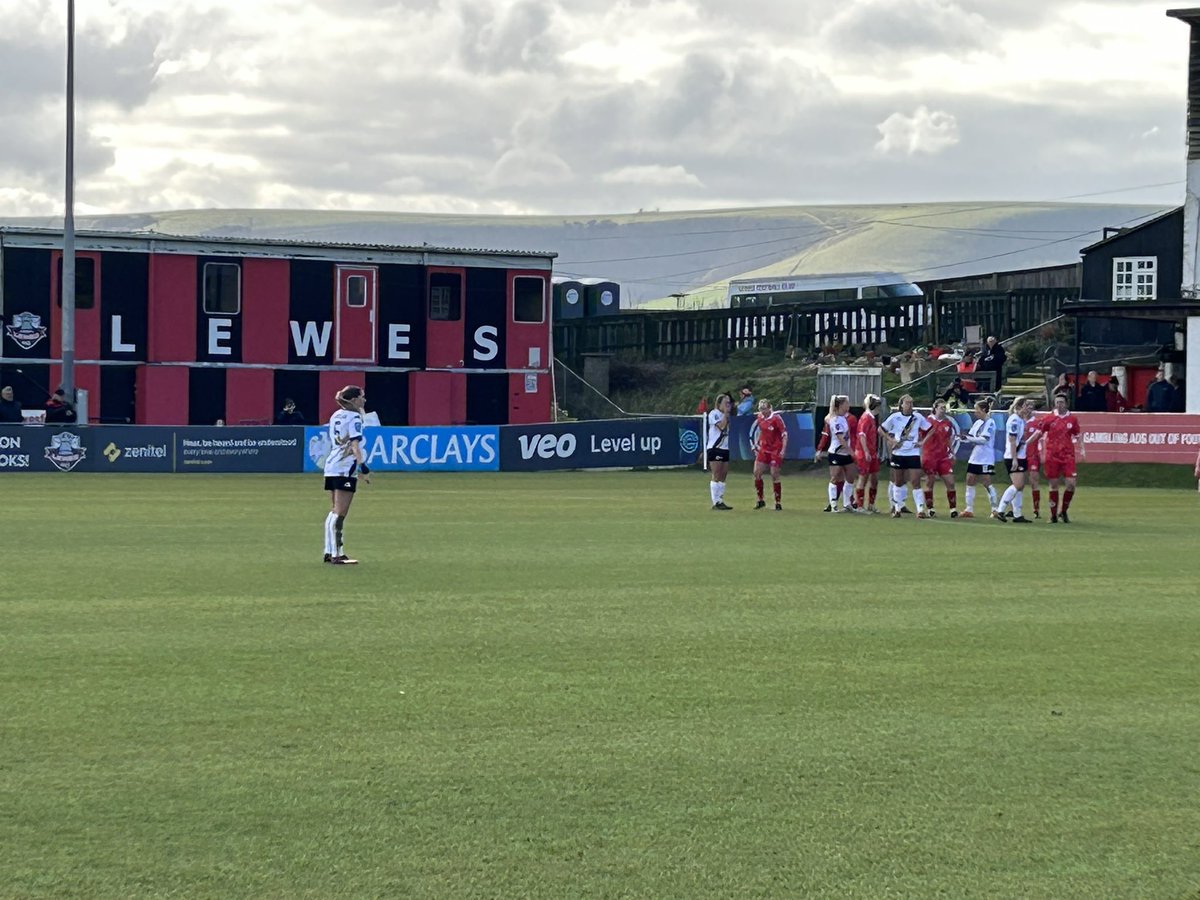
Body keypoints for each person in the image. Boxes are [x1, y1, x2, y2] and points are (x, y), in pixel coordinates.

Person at [323, 385, 372, 564]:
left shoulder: (336, 415)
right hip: (345, 467)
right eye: (361, 397)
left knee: (334, 511)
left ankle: (329, 550)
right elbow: (354, 445)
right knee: (340, 512)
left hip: (331, 466)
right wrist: (363, 466)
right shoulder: (354, 417)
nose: (364, 400)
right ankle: (337, 554)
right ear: (353, 400)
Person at [1034, 394, 1085, 524]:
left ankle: (1064, 511)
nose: (1059, 404)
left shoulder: (1072, 419)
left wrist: (1082, 449)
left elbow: (1078, 434)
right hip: (1052, 456)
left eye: (1061, 402)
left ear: (1066, 403)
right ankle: (1053, 515)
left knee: (1071, 484)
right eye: (1057, 402)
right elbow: (1039, 433)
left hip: (1068, 456)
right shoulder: (1049, 418)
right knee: (1053, 485)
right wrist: (1030, 444)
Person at [881, 394, 930, 518]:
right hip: (898, 453)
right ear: (901, 404)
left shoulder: (917, 417)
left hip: (912, 453)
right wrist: (890, 440)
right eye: (907, 403)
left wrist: (922, 442)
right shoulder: (895, 417)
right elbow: (881, 429)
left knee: (915, 480)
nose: (910, 405)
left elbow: (930, 429)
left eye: (911, 403)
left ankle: (920, 509)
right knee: (898, 481)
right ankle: (897, 508)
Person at [994, 397, 1034, 523]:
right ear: (1020, 407)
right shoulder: (1015, 420)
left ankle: (1017, 514)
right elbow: (1012, 441)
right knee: (1018, 484)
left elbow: (1019, 441)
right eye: (1026, 406)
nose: (1028, 409)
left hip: (1020, 455)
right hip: (1013, 456)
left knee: (1020, 486)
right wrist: (1015, 459)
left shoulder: (1021, 420)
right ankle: (1000, 510)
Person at [960, 398, 999, 519]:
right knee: (970, 480)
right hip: (975, 457)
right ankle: (969, 509)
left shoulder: (991, 422)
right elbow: (971, 437)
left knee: (987, 482)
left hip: (986, 458)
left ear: (983, 410)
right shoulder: (977, 423)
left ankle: (995, 509)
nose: (975, 412)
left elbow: (983, 440)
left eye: (977, 410)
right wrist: (962, 438)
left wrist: (969, 438)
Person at [818, 394, 858, 513]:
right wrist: (851, 451)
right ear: (840, 405)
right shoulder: (835, 419)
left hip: (845, 453)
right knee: (836, 478)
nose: (848, 405)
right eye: (846, 403)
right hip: (836, 452)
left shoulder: (844, 418)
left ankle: (847, 504)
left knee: (851, 476)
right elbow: (841, 438)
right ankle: (833, 504)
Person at [921, 399, 960, 518]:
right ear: (935, 408)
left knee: (950, 482)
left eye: (945, 407)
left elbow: (948, 439)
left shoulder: (947, 423)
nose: (943, 410)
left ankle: (953, 509)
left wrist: (952, 452)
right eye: (941, 407)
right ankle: (930, 508)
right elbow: (921, 436)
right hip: (930, 455)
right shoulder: (928, 421)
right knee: (930, 482)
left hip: (943, 456)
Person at [752, 398, 787, 510]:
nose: (763, 411)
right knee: (757, 472)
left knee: (774, 474)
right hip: (764, 449)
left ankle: (778, 502)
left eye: (764, 408)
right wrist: (756, 443)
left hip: (775, 449)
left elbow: (784, 434)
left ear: (769, 408)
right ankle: (760, 499)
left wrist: (783, 450)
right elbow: (760, 431)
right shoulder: (760, 417)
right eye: (761, 409)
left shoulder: (776, 419)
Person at [853, 393, 882, 514]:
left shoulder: (871, 418)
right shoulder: (866, 417)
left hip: (872, 452)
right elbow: (861, 435)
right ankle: (859, 505)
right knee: (863, 478)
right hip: (864, 452)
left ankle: (871, 504)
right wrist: (865, 451)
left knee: (874, 478)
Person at [706, 393, 733, 510]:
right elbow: (721, 427)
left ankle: (720, 500)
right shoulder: (714, 414)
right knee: (716, 474)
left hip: (725, 447)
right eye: (725, 403)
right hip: (715, 447)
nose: (728, 405)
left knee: (723, 474)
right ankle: (715, 502)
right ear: (719, 404)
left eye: (729, 403)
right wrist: (726, 414)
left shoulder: (728, 415)